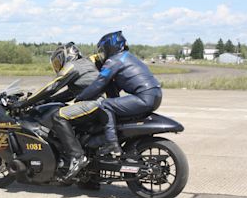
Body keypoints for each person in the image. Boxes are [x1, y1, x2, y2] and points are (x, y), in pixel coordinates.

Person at [14, 42, 109, 179]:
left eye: (58, 62)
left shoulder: (74, 65)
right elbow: (69, 93)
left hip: (94, 104)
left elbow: (52, 86)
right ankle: (90, 178)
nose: (58, 66)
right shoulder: (85, 65)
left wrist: (24, 103)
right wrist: (43, 101)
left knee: (58, 117)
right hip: (101, 105)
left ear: (67, 56)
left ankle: (77, 156)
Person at [76, 31, 162, 156]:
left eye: (103, 50)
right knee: (113, 106)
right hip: (155, 95)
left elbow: (100, 82)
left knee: (105, 105)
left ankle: (112, 144)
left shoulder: (114, 60)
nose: (102, 54)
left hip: (144, 97)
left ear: (111, 47)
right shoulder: (128, 57)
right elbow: (113, 87)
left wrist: (81, 97)